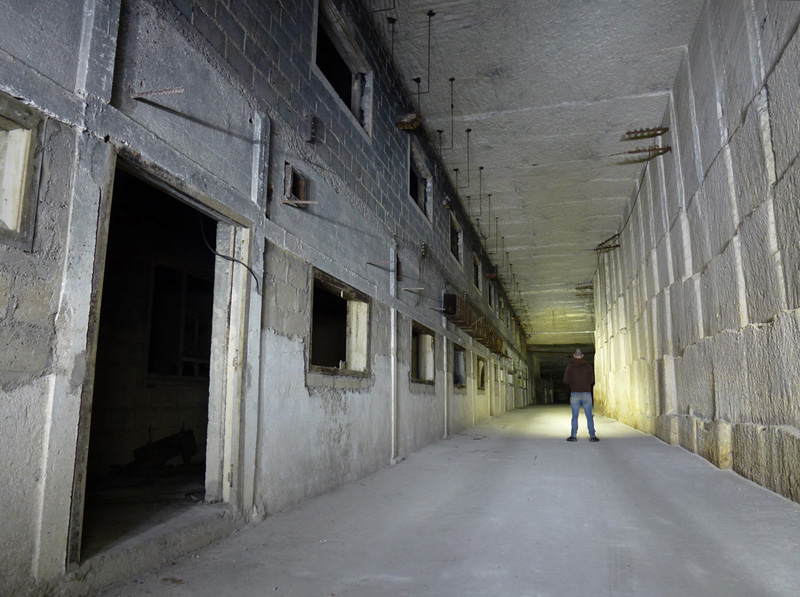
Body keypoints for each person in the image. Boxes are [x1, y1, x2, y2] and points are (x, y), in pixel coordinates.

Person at [563, 348, 598, 442]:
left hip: (575, 393)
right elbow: (592, 380)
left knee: (574, 416)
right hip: (586, 393)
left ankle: (573, 436)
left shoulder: (570, 367)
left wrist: (573, 384)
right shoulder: (588, 367)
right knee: (589, 416)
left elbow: (566, 380)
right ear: (582, 355)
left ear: (574, 355)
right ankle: (592, 436)